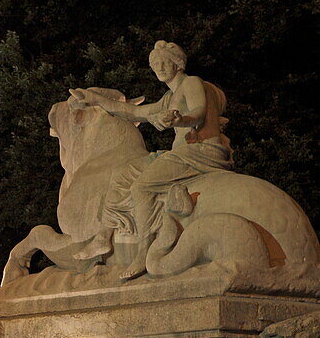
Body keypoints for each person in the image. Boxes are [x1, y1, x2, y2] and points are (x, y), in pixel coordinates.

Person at [69, 41, 232, 281]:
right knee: (124, 173)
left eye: (164, 62)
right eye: (155, 64)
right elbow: (133, 113)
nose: (160, 68)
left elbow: (197, 112)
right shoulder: (170, 97)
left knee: (142, 186)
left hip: (200, 151)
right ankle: (104, 237)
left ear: (177, 63)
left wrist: (179, 120)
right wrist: (94, 99)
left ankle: (143, 250)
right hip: (178, 153)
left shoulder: (191, 83)